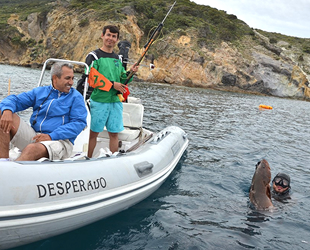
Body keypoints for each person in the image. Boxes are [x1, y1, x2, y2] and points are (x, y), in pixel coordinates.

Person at [0, 62, 87, 161]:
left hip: (60, 141)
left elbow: (79, 123)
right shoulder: (40, 92)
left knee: (31, 149)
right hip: (35, 136)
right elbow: (15, 100)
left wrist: (51, 136)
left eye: (72, 78)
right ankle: (3, 163)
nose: (71, 82)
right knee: (2, 112)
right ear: (55, 78)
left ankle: (12, 173)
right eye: (67, 78)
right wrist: (7, 110)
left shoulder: (76, 97)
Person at [77, 25, 139, 157]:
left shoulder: (118, 59)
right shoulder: (93, 56)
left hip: (115, 102)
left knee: (114, 133)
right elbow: (91, 78)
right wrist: (112, 85)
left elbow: (122, 79)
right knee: (93, 133)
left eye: (114, 36)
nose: (110, 38)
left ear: (117, 39)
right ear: (102, 36)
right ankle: (86, 158)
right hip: (99, 101)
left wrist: (131, 73)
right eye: (108, 35)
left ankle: (113, 159)